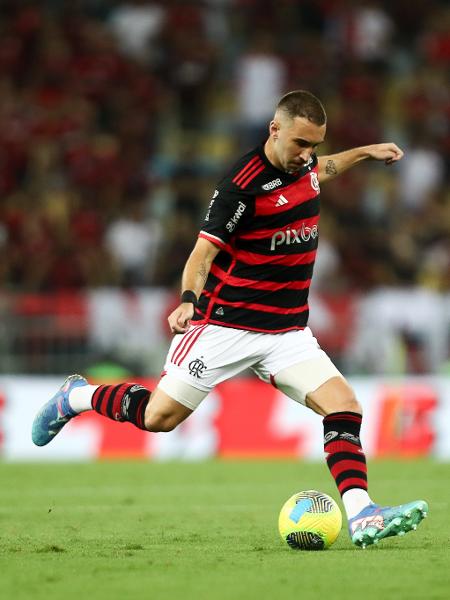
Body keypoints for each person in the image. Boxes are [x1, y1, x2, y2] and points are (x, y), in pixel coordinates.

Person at [32, 90, 428, 549]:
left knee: (345, 407)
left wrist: (365, 151)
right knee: (159, 417)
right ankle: (77, 397)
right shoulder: (241, 187)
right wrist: (186, 300)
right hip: (224, 327)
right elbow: (202, 255)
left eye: (315, 145)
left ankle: (362, 515)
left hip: (286, 332)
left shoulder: (306, 167)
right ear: (273, 130)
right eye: (300, 143)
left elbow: (326, 169)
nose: (308, 156)